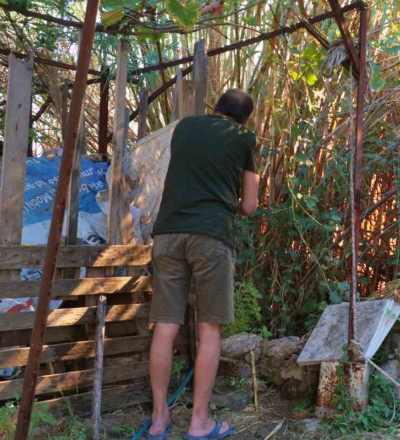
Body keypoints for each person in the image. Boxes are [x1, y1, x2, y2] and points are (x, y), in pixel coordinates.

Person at [146, 89, 259, 440]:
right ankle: (199, 423)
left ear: (215, 108)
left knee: (165, 325)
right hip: (211, 236)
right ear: (245, 119)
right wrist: (232, 204)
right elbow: (250, 205)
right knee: (210, 329)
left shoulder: (185, 127)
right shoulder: (244, 138)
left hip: (167, 234)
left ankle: (158, 419)